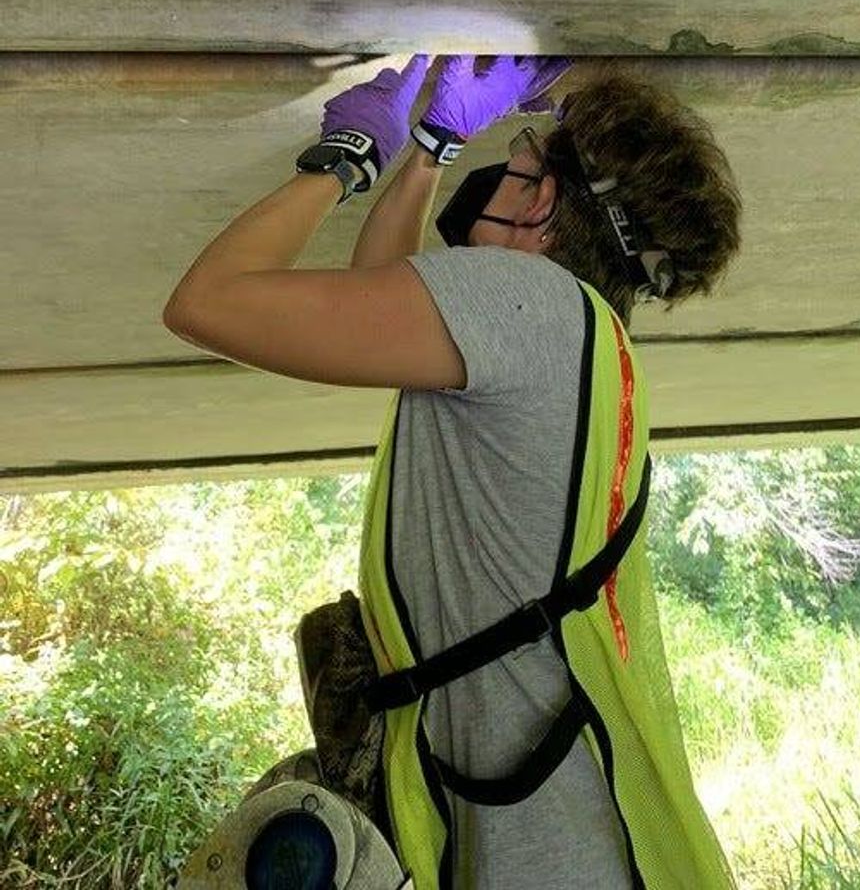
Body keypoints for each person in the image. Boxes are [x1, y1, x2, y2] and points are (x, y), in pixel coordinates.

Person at [163, 54, 743, 890]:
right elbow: (372, 304)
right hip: (545, 829)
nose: (502, 168)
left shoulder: (531, 307)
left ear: (541, 199)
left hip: (538, 848)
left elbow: (206, 302)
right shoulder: (585, 344)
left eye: (518, 159)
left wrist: (347, 161)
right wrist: (431, 145)